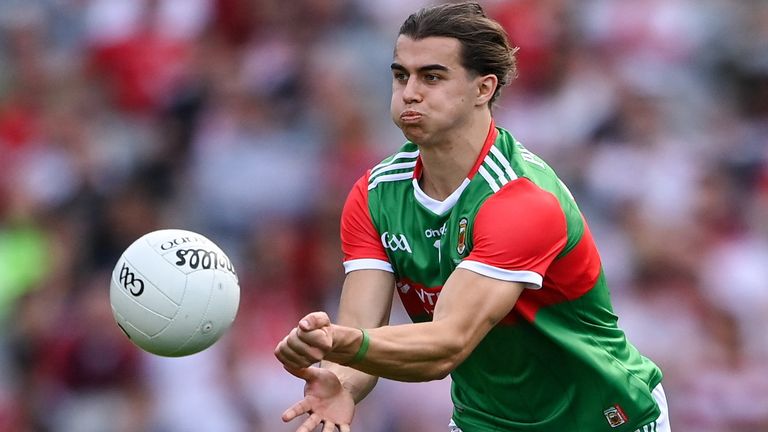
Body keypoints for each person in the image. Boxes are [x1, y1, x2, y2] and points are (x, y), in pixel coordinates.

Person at [274, 2, 670, 431]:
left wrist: (336, 342)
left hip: (603, 417)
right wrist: (342, 383)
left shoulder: (521, 198)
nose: (409, 92)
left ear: (483, 89)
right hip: (484, 421)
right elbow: (363, 331)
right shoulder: (374, 196)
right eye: (400, 75)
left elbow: (446, 344)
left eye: (432, 76)